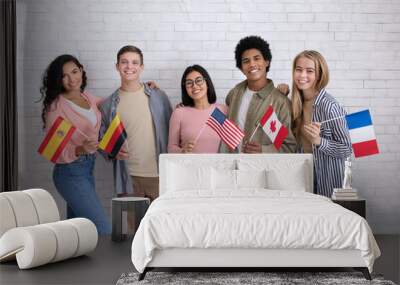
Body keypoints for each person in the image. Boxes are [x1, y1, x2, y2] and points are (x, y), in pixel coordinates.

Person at [39, 54, 111, 235]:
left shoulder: (87, 98)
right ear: (58, 80)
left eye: (74, 71)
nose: (72, 79)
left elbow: (112, 103)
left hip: (87, 168)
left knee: (76, 232)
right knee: (103, 229)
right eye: (65, 76)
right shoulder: (56, 108)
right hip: (69, 173)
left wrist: (145, 87)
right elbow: (53, 150)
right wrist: (80, 148)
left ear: (81, 70)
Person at [99, 45, 172, 202]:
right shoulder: (108, 105)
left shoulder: (158, 96)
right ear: (117, 66)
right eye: (124, 62)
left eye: (134, 62)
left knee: (162, 225)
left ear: (141, 67)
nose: (129, 67)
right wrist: (112, 151)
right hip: (129, 178)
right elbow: (102, 141)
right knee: (134, 226)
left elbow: (172, 127)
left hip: (159, 175)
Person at [291, 50, 352, 197]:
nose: (302, 75)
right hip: (303, 175)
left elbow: (346, 149)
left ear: (319, 75)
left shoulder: (329, 106)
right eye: (298, 69)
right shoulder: (295, 103)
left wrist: (319, 141)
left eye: (309, 71)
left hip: (327, 179)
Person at [224, 35, 297, 153]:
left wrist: (263, 150)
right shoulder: (234, 94)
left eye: (257, 58)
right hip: (234, 166)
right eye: (246, 61)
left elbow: (289, 146)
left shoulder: (280, 102)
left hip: (262, 168)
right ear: (241, 68)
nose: (252, 64)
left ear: (267, 62)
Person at [168, 65, 228, 153]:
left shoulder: (222, 110)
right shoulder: (179, 113)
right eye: (189, 83)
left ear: (207, 83)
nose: (194, 86)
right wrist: (182, 151)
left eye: (199, 80)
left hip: (219, 165)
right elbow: (171, 148)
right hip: (189, 165)